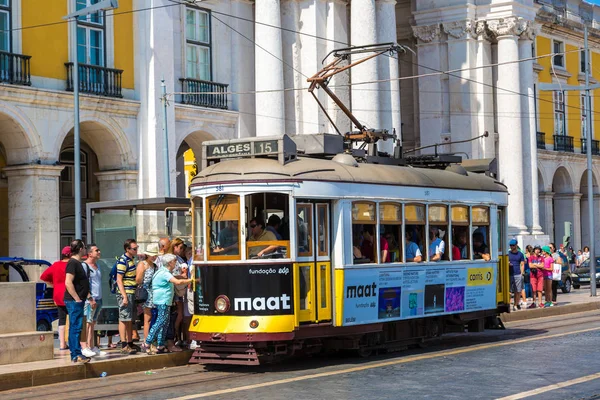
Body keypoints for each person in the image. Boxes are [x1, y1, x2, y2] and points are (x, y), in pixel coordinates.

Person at [145, 254, 193, 355]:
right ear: (170, 262)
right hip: (163, 300)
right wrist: (191, 280)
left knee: (165, 323)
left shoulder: (163, 271)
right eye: (175, 261)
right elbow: (177, 282)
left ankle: (161, 345)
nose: (176, 263)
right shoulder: (164, 273)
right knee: (160, 322)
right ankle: (147, 342)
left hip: (165, 301)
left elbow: (174, 277)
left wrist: (182, 276)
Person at [64, 239, 93, 364]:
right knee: (75, 327)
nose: (85, 249)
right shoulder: (73, 263)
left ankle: (76, 354)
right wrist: (76, 298)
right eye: (84, 247)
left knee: (77, 327)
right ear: (81, 249)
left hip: (79, 300)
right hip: (74, 301)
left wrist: (88, 296)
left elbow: (80, 283)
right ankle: (76, 354)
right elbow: (68, 282)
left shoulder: (77, 263)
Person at [40, 246, 71, 351]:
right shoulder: (73, 265)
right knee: (73, 319)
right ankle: (74, 343)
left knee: (61, 319)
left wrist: (54, 284)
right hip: (71, 294)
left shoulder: (56, 265)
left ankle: (62, 343)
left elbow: (43, 277)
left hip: (58, 295)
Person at [116, 238, 139, 355]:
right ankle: (124, 344)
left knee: (129, 319)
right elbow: (119, 280)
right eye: (134, 249)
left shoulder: (132, 259)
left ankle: (130, 342)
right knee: (124, 318)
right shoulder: (123, 260)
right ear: (127, 249)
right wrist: (124, 296)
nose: (136, 250)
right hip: (125, 292)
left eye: (137, 248)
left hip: (131, 292)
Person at [81, 244, 104, 357]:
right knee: (88, 323)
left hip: (98, 298)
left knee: (92, 323)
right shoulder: (85, 266)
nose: (99, 252)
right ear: (89, 253)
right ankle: (85, 347)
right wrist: (90, 298)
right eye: (96, 250)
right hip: (90, 299)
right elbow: (84, 284)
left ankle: (91, 346)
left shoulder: (97, 265)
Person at [136, 244, 159, 352]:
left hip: (154, 294)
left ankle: (152, 341)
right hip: (146, 293)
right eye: (152, 255)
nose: (154, 257)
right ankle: (147, 342)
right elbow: (138, 280)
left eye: (155, 255)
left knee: (154, 318)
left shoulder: (155, 266)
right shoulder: (142, 264)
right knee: (148, 319)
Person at [508, 239, 525, 311]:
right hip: (509, 274)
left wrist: (521, 273)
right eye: (511, 245)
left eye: (513, 245)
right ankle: (508, 304)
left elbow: (522, 264)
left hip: (517, 273)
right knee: (509, 290)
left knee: (517, 290)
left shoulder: (520, 254)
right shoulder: (508, 253)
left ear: (516, 245)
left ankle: (515, 304)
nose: (511, 247)